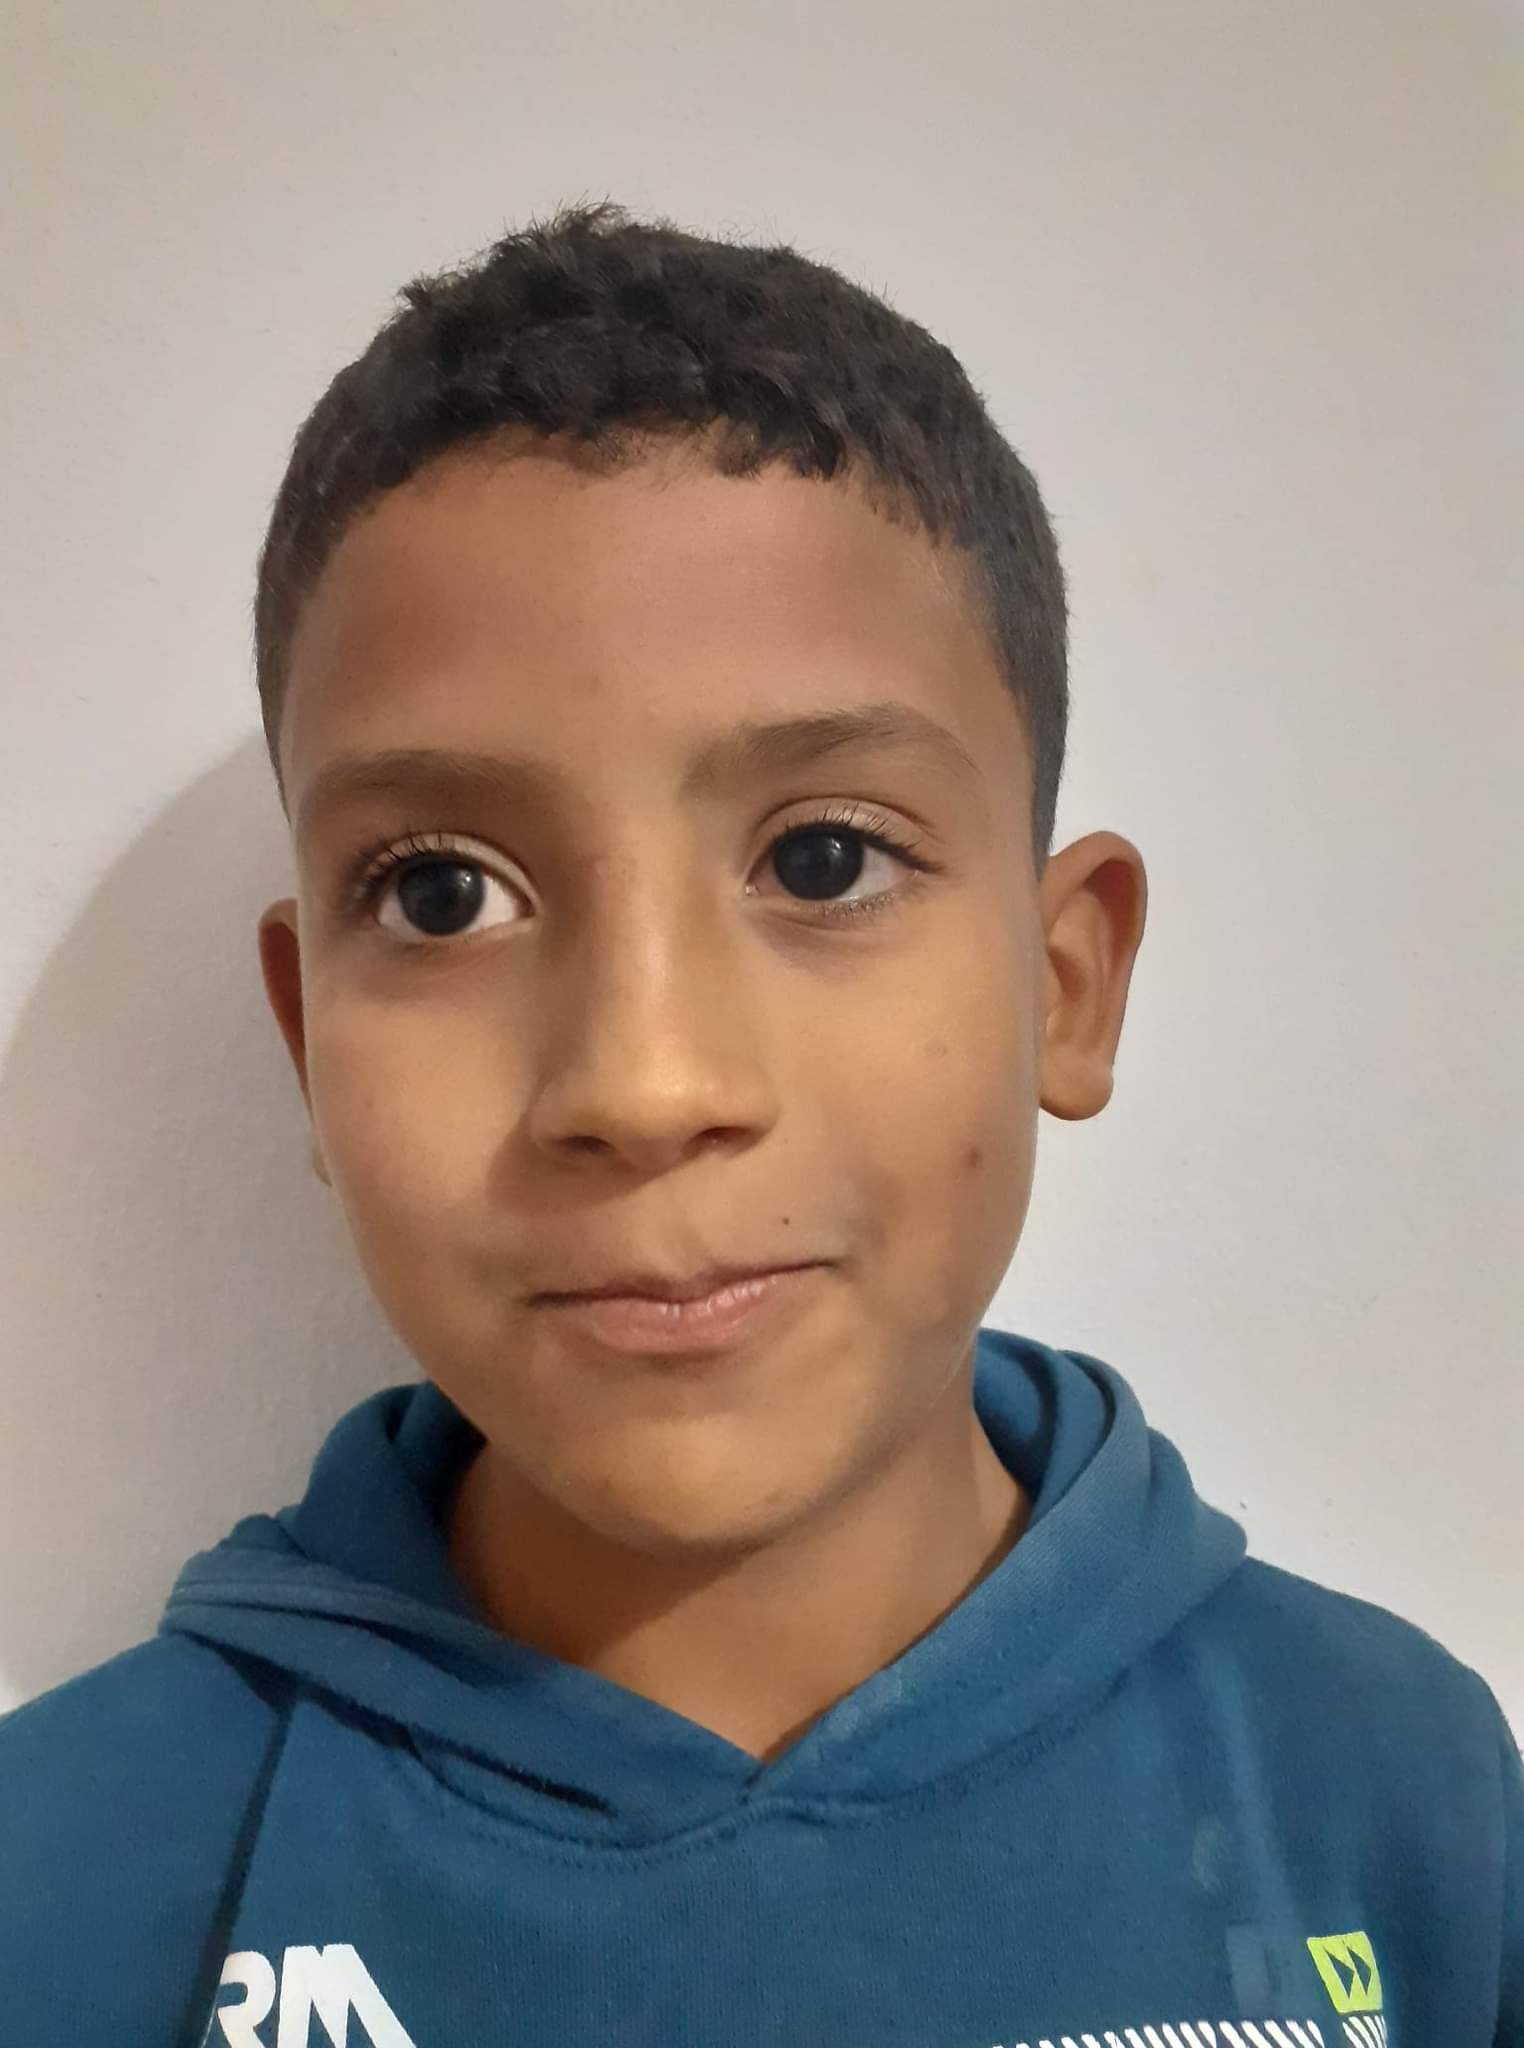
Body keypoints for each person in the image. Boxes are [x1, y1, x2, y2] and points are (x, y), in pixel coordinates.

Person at [1, 196, 1517, 2048]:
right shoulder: (59, 1893)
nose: (644, 1086)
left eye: (824, 861)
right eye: (443, 895)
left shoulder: (1404, 1802)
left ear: (1066, 982)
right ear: (307, 1035)